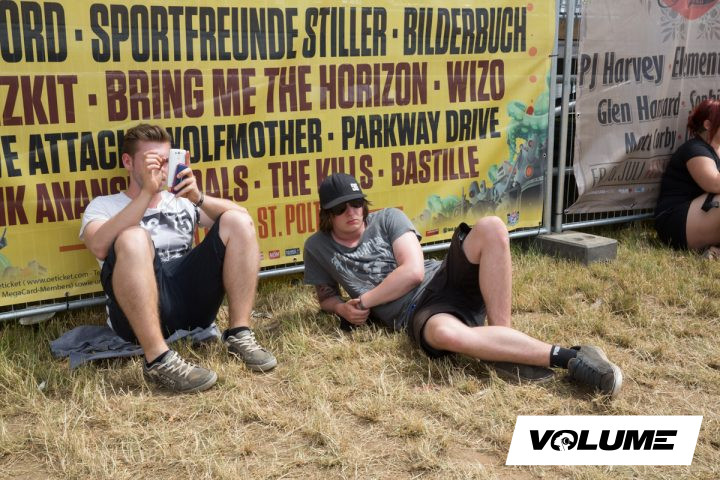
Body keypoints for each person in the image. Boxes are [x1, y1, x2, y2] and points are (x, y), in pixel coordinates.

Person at [303, 173, 623, 398]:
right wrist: (341, 308)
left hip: (441, 277)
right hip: (418, 312)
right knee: (446, 335)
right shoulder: (317, 247)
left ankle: (503, 345)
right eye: (341, 208)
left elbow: (413, 272)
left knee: (492, 227)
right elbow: (325, 297)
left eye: (357, 203)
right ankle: (570, 357)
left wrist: (364, 301)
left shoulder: (388, 218)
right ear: (327, 214)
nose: (352, 212)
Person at [80, 124, 276, 393]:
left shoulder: (182, 200)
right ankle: (158, 359)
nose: (160, 168)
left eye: (165, 160)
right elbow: (98, 246)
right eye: (152, 160)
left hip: (189, 298)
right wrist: (146, 194)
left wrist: (198, 197)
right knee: (134, 237)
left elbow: (243, 220)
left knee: (237, 221)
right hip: (136, 313)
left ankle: (239, 334)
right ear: (128, 162)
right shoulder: (105, 205)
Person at [655, 99, 720, 255]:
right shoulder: (695, 149)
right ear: (708, 125)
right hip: (674, 222)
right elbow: (715, 183)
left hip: (697, 216)